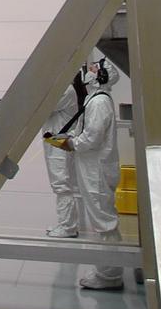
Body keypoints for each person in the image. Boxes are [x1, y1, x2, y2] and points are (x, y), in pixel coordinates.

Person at [63, 56, 123, 290]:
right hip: (93, 167)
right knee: (101, 217)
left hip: (95, 169)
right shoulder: (95, 99)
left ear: (101, 75)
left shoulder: (98, 103)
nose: (87, 70)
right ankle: (106, 269)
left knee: (103, 221)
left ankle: (109, 275)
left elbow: (93, 137)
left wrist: (72, 144)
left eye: (93, 67)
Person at [41, 79, 82, 237]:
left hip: (60, 142)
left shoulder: (66, 90)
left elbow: (44, 107)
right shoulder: (62, 89)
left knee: (61, 183)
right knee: (59, 182)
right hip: (54, 140)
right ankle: (65, 223)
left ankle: (68, 226)